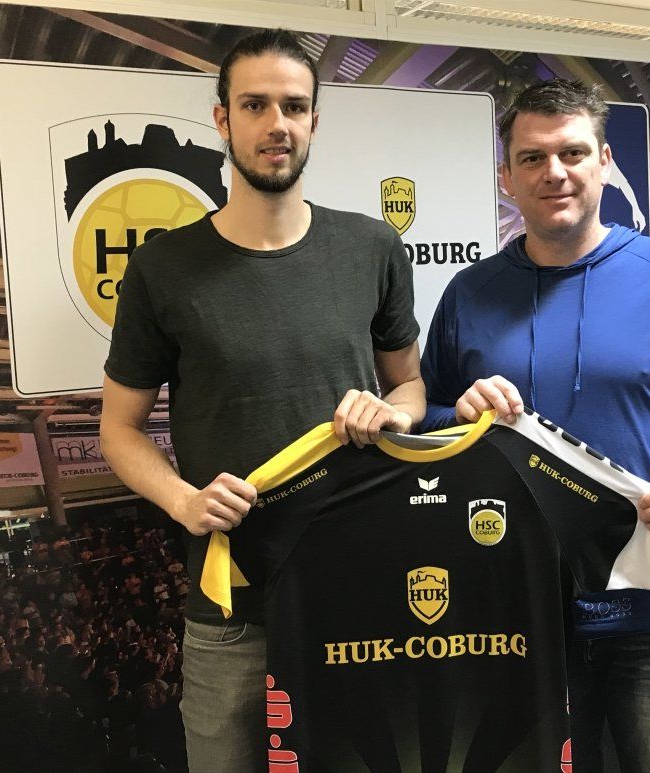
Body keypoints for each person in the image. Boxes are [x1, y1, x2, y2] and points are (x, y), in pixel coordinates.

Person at [419, 78, 650, 772]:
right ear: (506, 177)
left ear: (605, 162)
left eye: (573, 153)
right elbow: (426, 417)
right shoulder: (469, 294)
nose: (554, 172)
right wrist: (454, 415)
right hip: (519, 623)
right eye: (532, 158)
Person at [99, 29, 425, 772]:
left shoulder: (372, 248)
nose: (277, 124)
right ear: (222, 119)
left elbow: (409, 382)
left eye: (293, 106)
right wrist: (183, 500)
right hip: (230, 605)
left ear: (314, 121)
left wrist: (396, 414)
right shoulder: (161, 268)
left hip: (358, 591)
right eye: (254, 105)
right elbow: (119, 429)